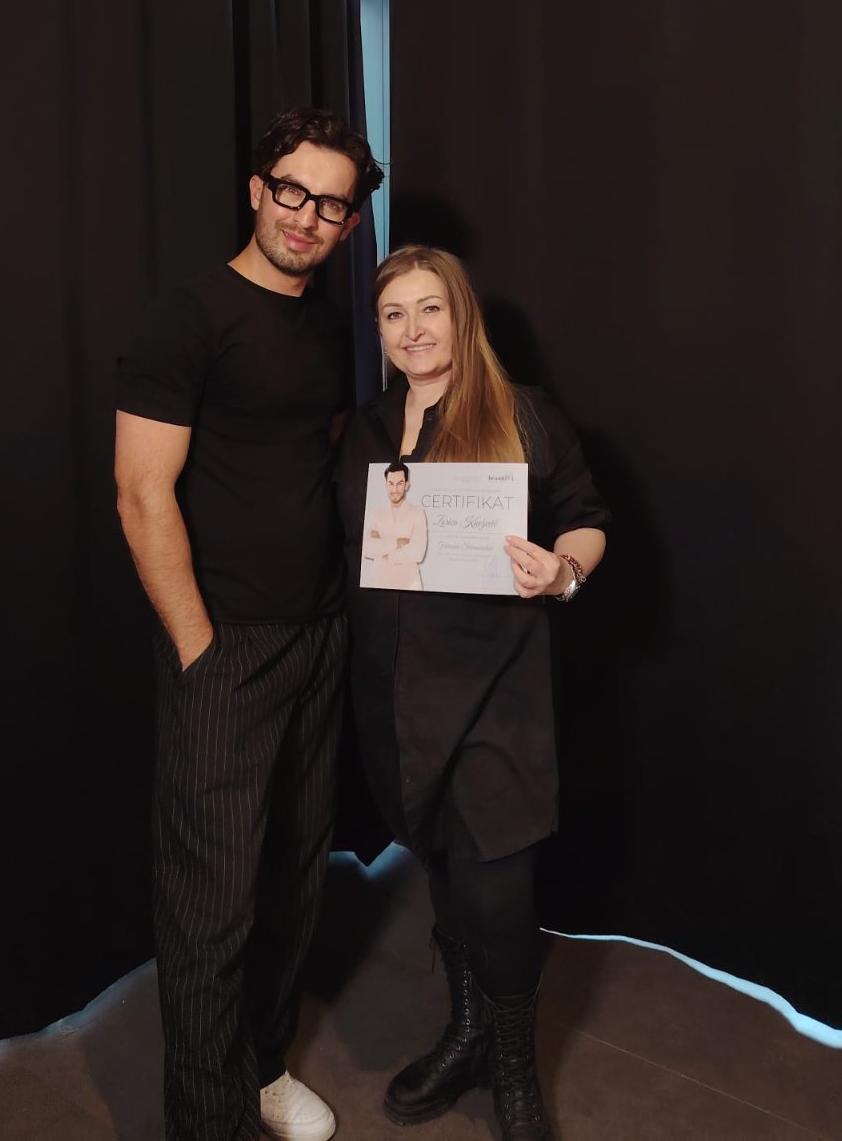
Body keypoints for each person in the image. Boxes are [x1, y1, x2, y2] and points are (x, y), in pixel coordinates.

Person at [115, 107, 382, 1141]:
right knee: (211, 904)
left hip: (318, 636)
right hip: (224, 645)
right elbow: (142, 492)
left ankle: (261, 1067)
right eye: (292, 191)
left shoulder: (328, 323)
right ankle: (208, 1120)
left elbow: (315, 457)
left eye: (331, 205)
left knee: (294, 875)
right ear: (258, 189)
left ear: (349, 224)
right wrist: (196, 646)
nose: (307, 216)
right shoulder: (186, 316)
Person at [335, 246, 608, 1141]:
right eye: (393, 314)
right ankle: (465, 1037)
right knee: (445, 880)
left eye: (430, 309)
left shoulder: (521, 412)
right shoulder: (366, 430)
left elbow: (587, 520)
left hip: (497, 698)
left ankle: (514, 1068)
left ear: (461, 315)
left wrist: (561, 571)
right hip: (397, 705)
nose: (413, 330)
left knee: (497, 898)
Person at [361, 460, 428, 590]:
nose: (395, 490)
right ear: (386, 485)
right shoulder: (377, 514)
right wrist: (397, 542)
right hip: (379, 582)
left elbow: (418, 551)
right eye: (391, 484)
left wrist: (386, 553)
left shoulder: (417, 512)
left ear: (407, 485)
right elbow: (367, 547)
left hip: (409, 584)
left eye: (400, 483)